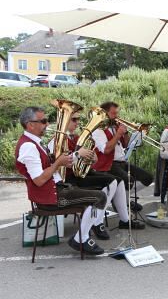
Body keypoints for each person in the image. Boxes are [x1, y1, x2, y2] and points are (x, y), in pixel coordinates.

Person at [15, 106, 107, 255]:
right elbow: (39, 180)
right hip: (50, 198)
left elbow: (50, 167)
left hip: (55, 191)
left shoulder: (34, 142)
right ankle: (80, 239)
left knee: (96, 194)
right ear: (30, 125)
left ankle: (81, 237)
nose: (47, 124)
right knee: (99, 197)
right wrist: (58, 163)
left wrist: (74, 156)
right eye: (43, 121)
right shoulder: (28, 147)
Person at [48, 112, 145, 235]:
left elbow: (87, 160)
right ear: (65, 121)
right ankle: (97, 222)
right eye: (74, 119)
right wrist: (78, 154)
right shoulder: (56, 141)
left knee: (118, 181)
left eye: (78, 119)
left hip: (81, 174)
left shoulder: (77, 138)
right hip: (68, 179)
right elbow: (56, 163)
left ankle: (124, 220)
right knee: (111, 182)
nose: (77, 122)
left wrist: (92, 158)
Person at [91, 101, 154, 211]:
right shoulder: (98, 130)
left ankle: (123, 200)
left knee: (148, 178)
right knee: (129, 181)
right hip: (108, 165)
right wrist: (118, 134)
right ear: (104, 113)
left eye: (117, 113)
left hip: (122, 162)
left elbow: (126, 144)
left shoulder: (115, 126)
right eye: (114, 113)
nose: (117, 116)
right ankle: (121, 202)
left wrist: (125, 133)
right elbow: (106, 150)